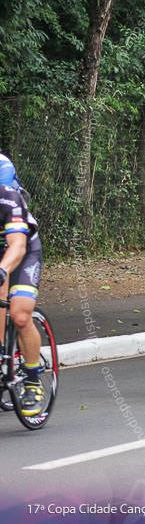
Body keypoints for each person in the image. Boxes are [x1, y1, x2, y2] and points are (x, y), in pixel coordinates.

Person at [0, 160, 44, 416]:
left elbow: (17, 246)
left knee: (19, 314)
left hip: (23, 252)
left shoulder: (9, 198)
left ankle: (32, 380)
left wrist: (3, 269)